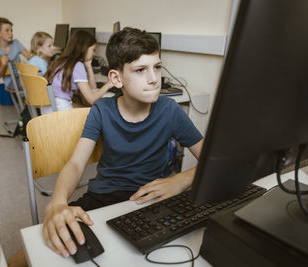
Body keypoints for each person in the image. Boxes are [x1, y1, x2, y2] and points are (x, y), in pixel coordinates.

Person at [43, 27, 204, 258]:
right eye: (140, 70)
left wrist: (182, 178)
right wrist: (58, 202)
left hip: (150, 198)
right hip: (104, 196)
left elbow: (211, 159)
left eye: (157, 67)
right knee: (46, 250)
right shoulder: (101, 110)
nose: (153, 79)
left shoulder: (170, 110)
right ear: (116, 78)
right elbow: (76, 164)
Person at [42, 30, 112, 113]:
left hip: (48, 109)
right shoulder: (77, 65)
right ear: (85, 48)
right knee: (95, 112)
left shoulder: (61, 60)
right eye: (93, 50)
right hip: (59, 111)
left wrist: (88, 66)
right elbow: (91, 99)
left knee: (83, 106)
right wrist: (109, 84)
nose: (94, 53)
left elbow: (92, 87)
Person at [0, 17, 29, 89]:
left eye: (11, 30)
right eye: (7, 31)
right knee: (33, 84)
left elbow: (29, 56)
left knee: (39, 80)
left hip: (21, 77)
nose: (10, 33)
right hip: (11, 82)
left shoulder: (16, 43)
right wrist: (3, 65)